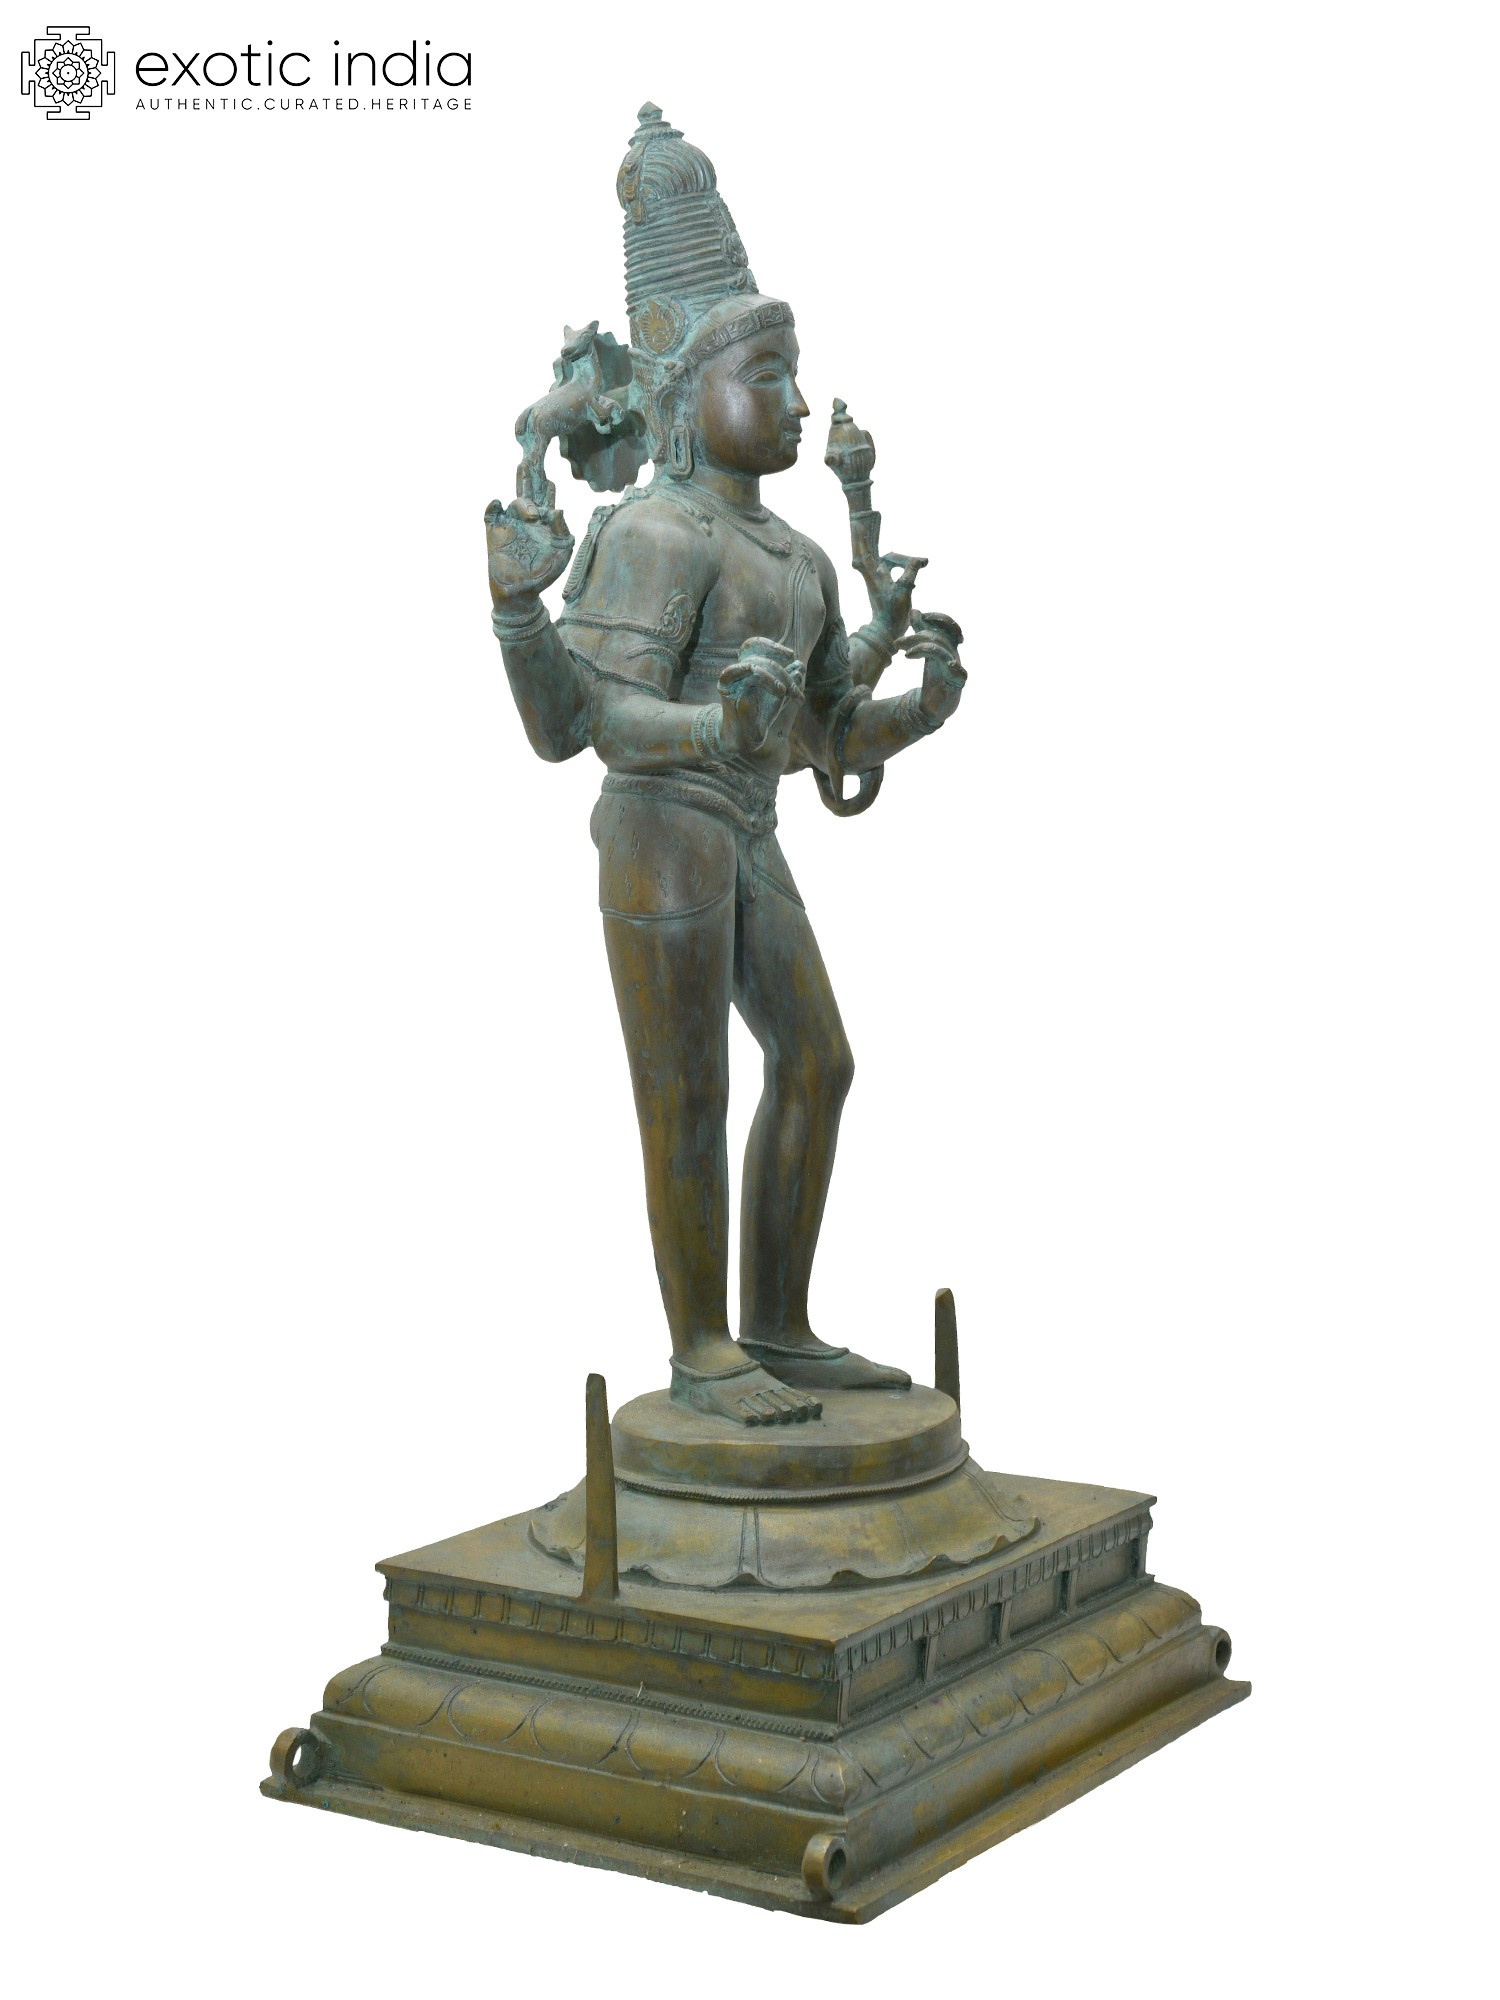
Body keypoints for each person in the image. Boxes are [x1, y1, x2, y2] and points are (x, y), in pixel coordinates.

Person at [485, 107, 967, 1425]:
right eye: (769, 376)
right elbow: (588, 723)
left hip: (745, 830)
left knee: (817, 1062)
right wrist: (702, 728)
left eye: (795, 377)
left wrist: (919, 708)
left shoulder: (798, 559)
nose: (799, 404)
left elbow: (821, 738)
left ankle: (779, 1326)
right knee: (686, 1090)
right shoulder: (657, 534)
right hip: (663, 835)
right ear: (688, 397)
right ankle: (704, 1348)